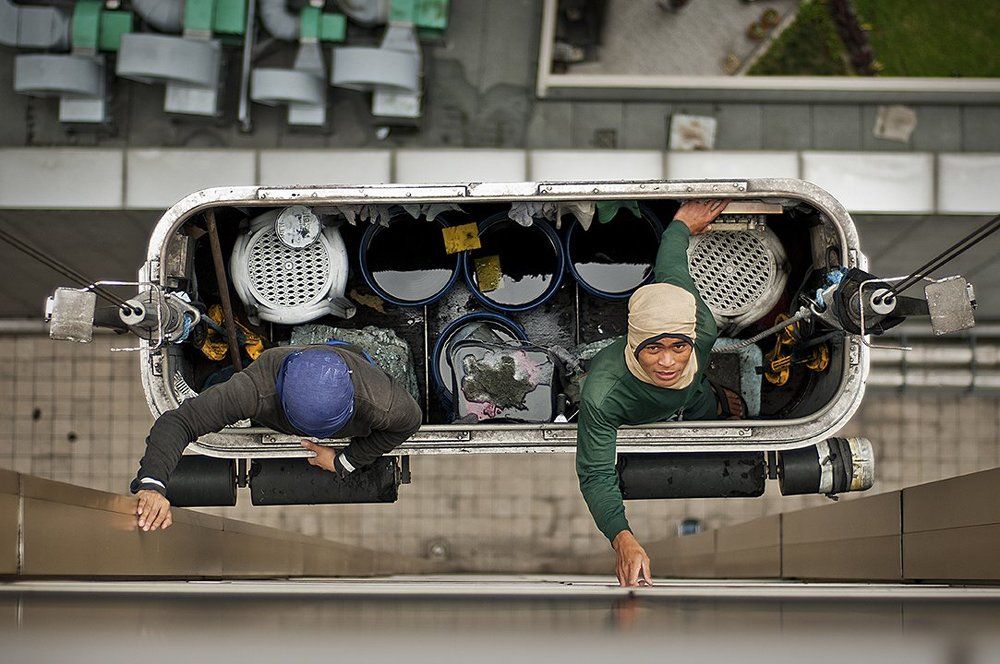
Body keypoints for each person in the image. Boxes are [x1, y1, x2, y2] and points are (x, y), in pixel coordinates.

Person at [575, 199, 745, 587]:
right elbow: (596, 474)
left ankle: (712, 402)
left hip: (694, 392)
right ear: (634, 342)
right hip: (637, 410)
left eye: (677, 347)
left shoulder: (699, 326)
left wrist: (680, 225)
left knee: (701, 400)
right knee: (688, 394)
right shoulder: (604, 395)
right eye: (653, 348)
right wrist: (622, 537)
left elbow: (673, 270)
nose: (668, 362)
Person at [132, 341, 423, 532]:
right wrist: (152, 485)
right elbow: (180, 422)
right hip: (266, 378)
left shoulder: (381, 399)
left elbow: (409, 423)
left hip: (347, 354)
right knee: (216, 384)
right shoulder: (254, 389)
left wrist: (344, 461)